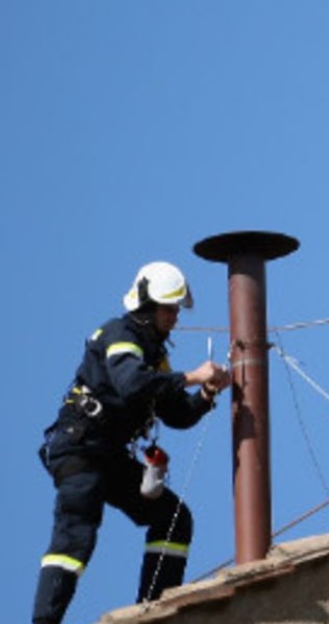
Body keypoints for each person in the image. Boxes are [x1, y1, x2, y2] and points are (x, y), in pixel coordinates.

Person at [32, 261, 232, 624]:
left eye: (176, 309)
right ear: (147, 307)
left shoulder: (154, 354)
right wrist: (192, 376)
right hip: (80, 448)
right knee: (76, 537)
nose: (175, 316)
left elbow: (177, 414)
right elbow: (132, 384)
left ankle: (152, 613)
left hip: (107, 455)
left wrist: (206, 393)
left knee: (173, 518)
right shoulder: (120, 334)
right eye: (169, 308)